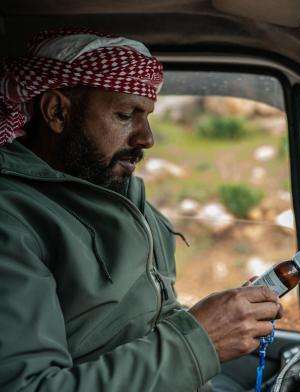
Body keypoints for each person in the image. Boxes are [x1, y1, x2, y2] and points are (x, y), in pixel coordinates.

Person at [0, 29, 282, 391]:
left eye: (147, 116)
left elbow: (141, 321)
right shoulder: (14, 220)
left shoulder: (114, 191)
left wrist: (228, 317)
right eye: (124, 115)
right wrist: (201, 341)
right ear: (57, 112)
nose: (146, 138)